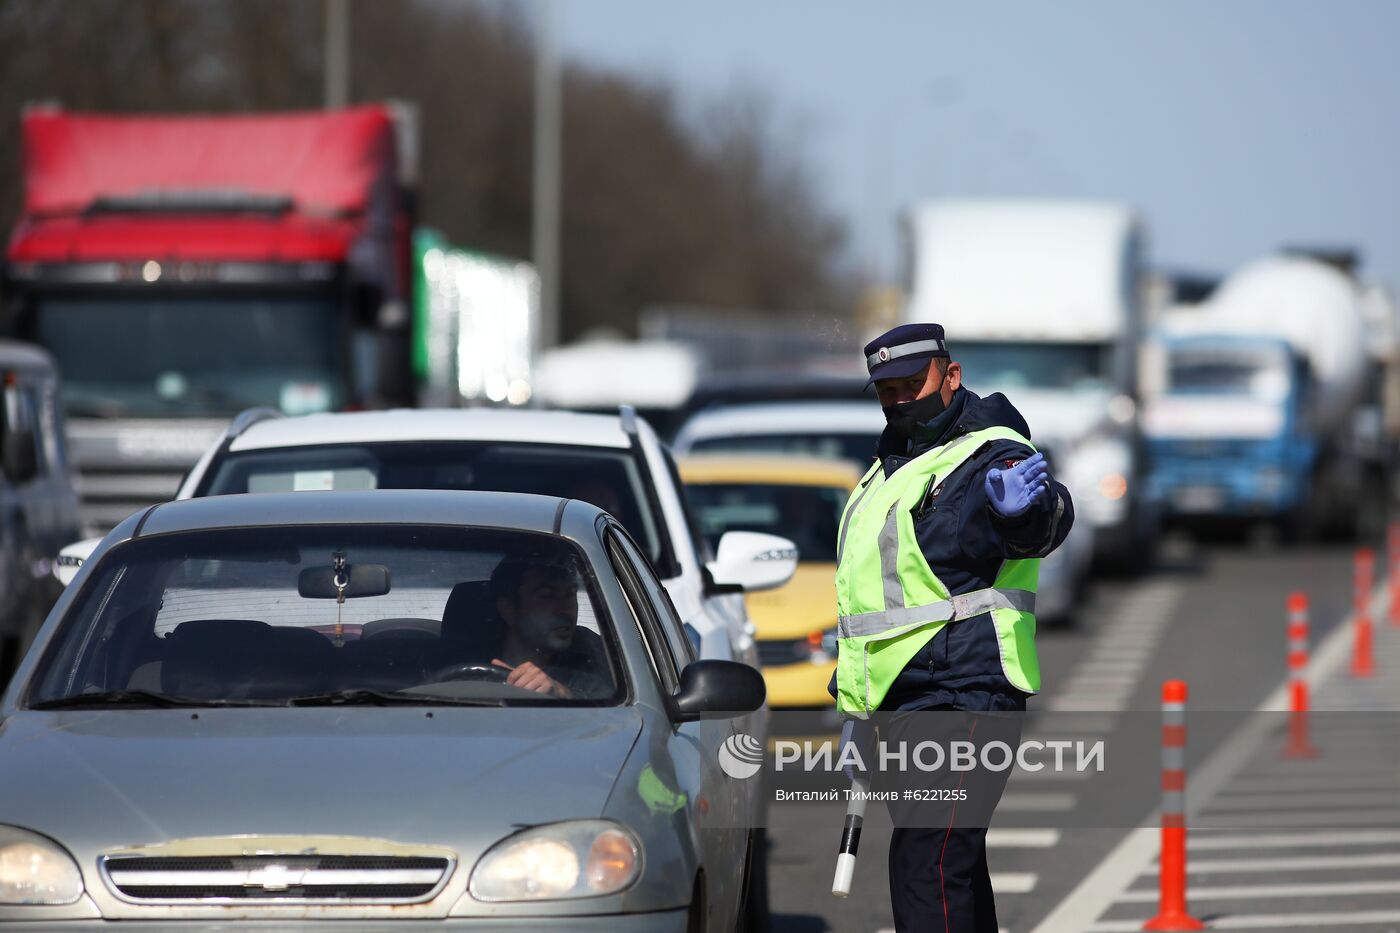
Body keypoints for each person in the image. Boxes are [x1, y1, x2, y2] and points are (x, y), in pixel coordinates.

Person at [831, 322, 1074, 933]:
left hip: (963, 691)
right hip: (901, 701)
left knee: (926, 863)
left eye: (914, 383)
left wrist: (1024, 514)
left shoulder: (992, 452)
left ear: (952, 376)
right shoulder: (888, 469)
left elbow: (1042, 518)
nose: (901, 399)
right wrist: (855, 708)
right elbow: (868, 607)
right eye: (887, 389)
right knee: (949, 864)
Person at [487, 553, 609, 699]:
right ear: (509, 609)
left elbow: (616, 708)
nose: (566, 609)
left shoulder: (596, 655)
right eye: (548, 596)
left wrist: (563, 694)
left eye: (571, 594)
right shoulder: (465, 656)